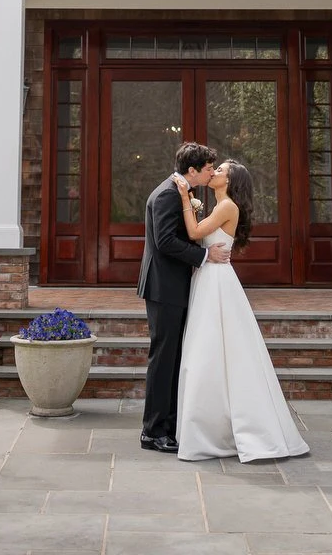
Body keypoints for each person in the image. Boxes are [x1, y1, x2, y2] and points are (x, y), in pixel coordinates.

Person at [170, 158, 309, 462]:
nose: (214, 172)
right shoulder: (219, 205)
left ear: (230, 181)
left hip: (217, 283)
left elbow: (194, 233)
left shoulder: (227, 206)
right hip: (208, 278)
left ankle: (226, 430)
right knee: (208, 348)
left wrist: (184, 198)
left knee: (214, 347)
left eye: (220, 170)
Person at [138, 142, 232, 454]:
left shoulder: (177, 192)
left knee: (174, 357)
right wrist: (204, 255)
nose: (211, 173)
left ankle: (168, 425)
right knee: (163, 359)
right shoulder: (168, 194)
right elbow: (165, 241)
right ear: (192, 170)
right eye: (208, 168)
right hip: (163, 288)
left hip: (172, 287)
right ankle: (153, 432)